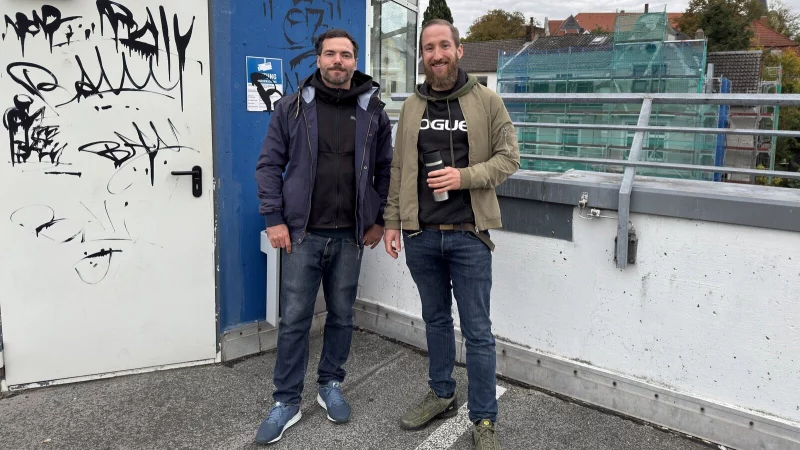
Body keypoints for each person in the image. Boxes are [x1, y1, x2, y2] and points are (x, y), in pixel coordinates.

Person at [382, 19, 520, 450]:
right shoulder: (411, 106)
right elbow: (399, 169)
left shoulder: (487, 101)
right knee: (436, 320)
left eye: (444, 46)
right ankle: (442, 393)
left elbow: (509, 159)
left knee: (477, 331)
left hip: (469, 235)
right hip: (420, 236)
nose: (437, 54)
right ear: (422, 56)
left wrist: (463, 177)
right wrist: (392, 222)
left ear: (459, 50)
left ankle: (483, 419)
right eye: (429, 48)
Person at [254, 28, 393, 445]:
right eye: (330, 54)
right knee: (295, 320)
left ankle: (330, 383)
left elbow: (386, 169)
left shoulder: (373, 111)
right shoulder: (291, 107)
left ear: (355, 62)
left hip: (351, 236)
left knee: (342, 316)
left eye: (345, 55)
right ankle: (286, 401)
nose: (337, 61)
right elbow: (268, 165)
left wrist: (379, 218)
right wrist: (274, 218)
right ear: (318, 60)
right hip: (303, 235)